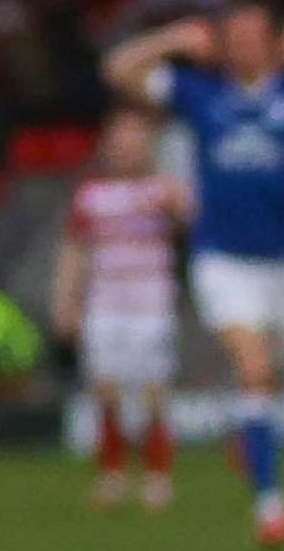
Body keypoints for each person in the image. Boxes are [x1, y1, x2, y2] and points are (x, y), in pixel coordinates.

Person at [101, 0, 284, 550]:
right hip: (225, 258)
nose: (243, 45)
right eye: (233, 36)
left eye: (254, 35)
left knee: (271, 377)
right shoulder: (201, 95)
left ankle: (250, 434)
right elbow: (117, 69)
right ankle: (271, 505)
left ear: (274, 41)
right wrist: (171, 39)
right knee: (254, 368)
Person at [51, 107, 190, 512]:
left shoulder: (163, 190)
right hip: (105, 304)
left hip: (152, 305)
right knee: (106, 390)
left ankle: (156, 476)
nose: (127, 149)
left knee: (152, 393)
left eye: (135, 141)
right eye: (120, 141)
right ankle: (111, 474)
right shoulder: (91, 195)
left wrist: (177, 191)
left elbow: (189, 220)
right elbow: (74, 250)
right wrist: (65, 300)